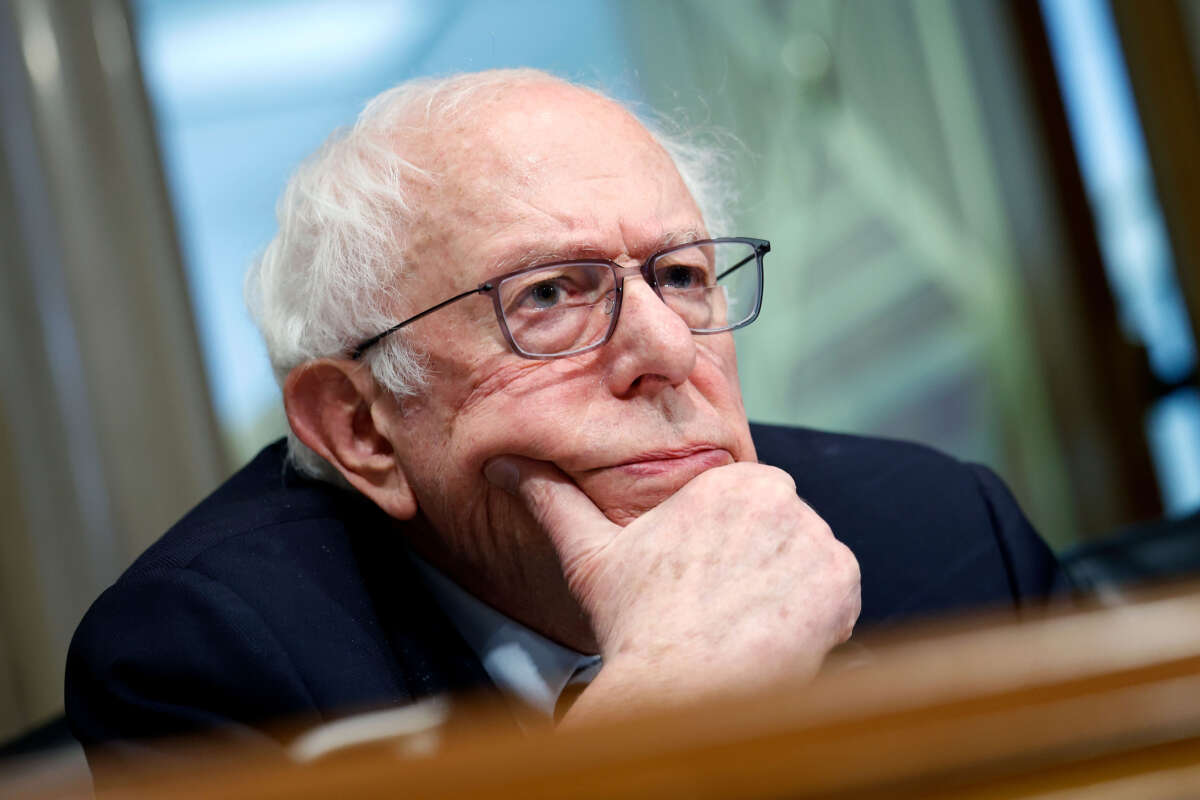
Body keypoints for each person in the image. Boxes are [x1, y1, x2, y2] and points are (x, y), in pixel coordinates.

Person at [66, 69, 1066, 767]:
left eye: (681, 275)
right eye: (547, 296)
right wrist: (667, 700)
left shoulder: (944, 534)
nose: (669, 349)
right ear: (364, 427)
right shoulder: (210, 658)